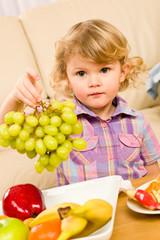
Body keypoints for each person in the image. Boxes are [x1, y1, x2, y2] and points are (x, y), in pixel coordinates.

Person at [0, 19, 160, 185]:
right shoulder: (58, 121)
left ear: (122, 72)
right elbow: (7, 128)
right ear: (67, 78)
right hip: (82, 209)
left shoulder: (138, 121)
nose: (94, 82)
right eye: (82, 73)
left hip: (129, 208)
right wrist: (16, 98)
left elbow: (154, 178)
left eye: (104, 70)